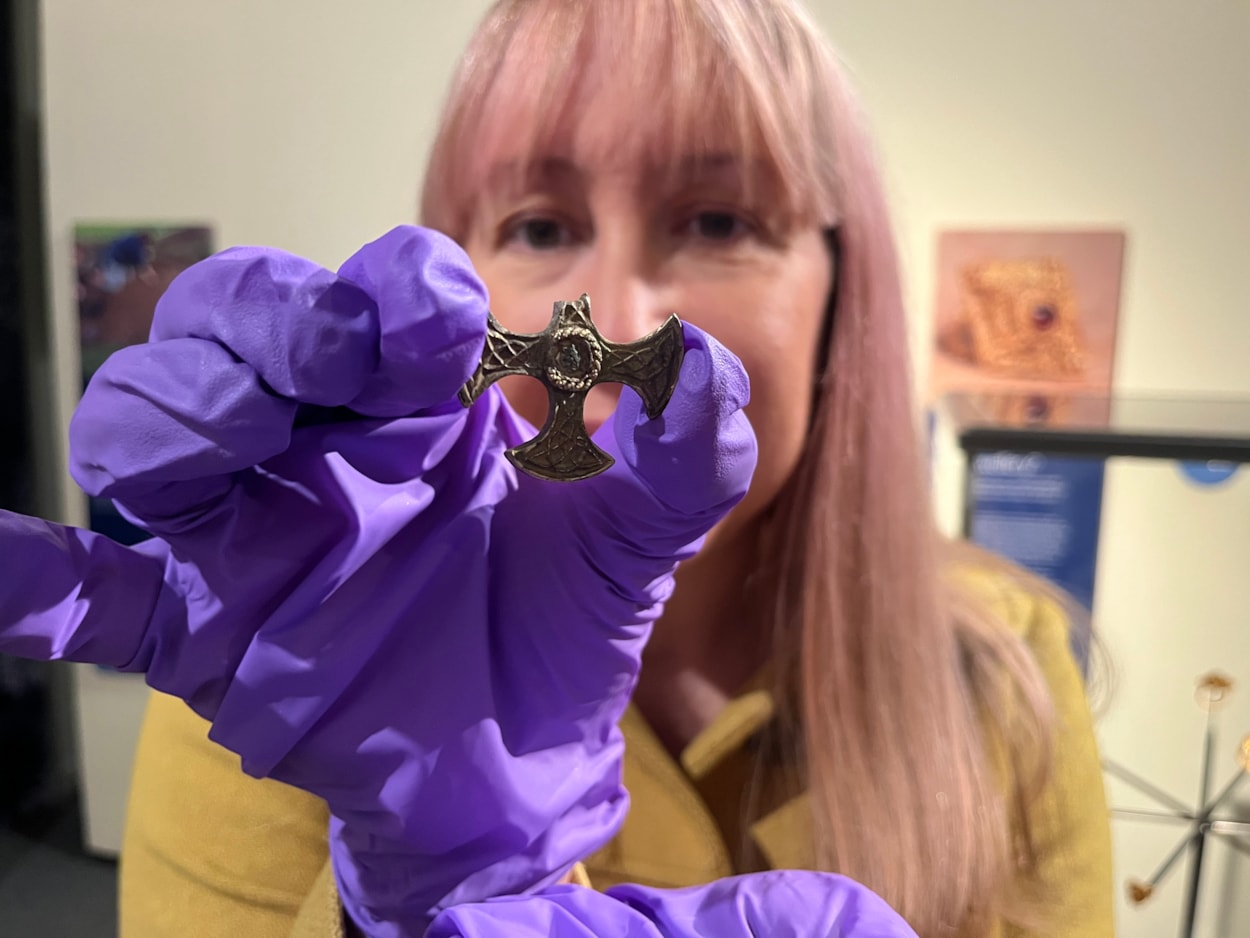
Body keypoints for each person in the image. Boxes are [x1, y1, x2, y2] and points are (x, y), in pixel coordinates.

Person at [0, 0, 1114, 935]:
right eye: (539, 226)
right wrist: (418, 893)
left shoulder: (997, 669)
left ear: (841, 297)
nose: (617, 318)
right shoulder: (277, 658)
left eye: (717, 218)